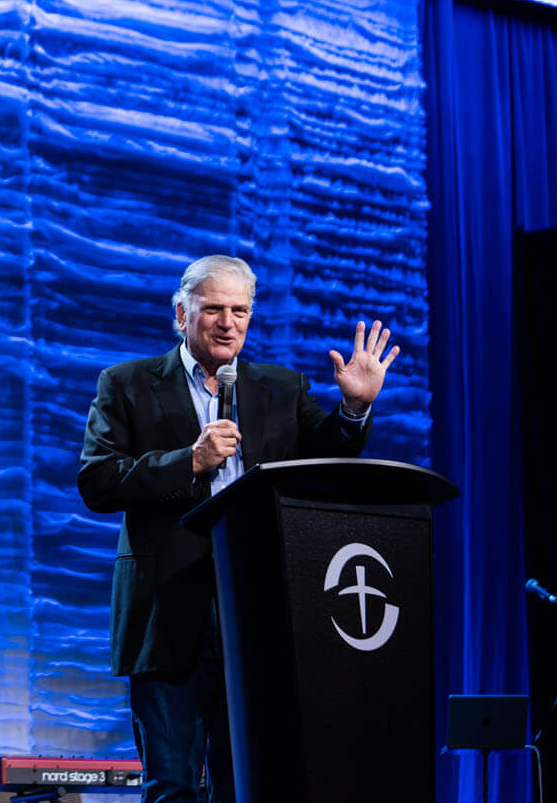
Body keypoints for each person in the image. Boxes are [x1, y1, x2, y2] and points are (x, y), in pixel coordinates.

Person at [77, 254, 398, 803]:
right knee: (172, 785)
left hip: (257, 612)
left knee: (247, 783)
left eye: (240, 311)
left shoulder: (280, 387)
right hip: (165, 612)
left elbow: (324, 466)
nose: (228, 323)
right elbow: (98, 481)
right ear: (182, 314)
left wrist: (352, 410)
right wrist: (189, 461)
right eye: (214, 309)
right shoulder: (126, 384)